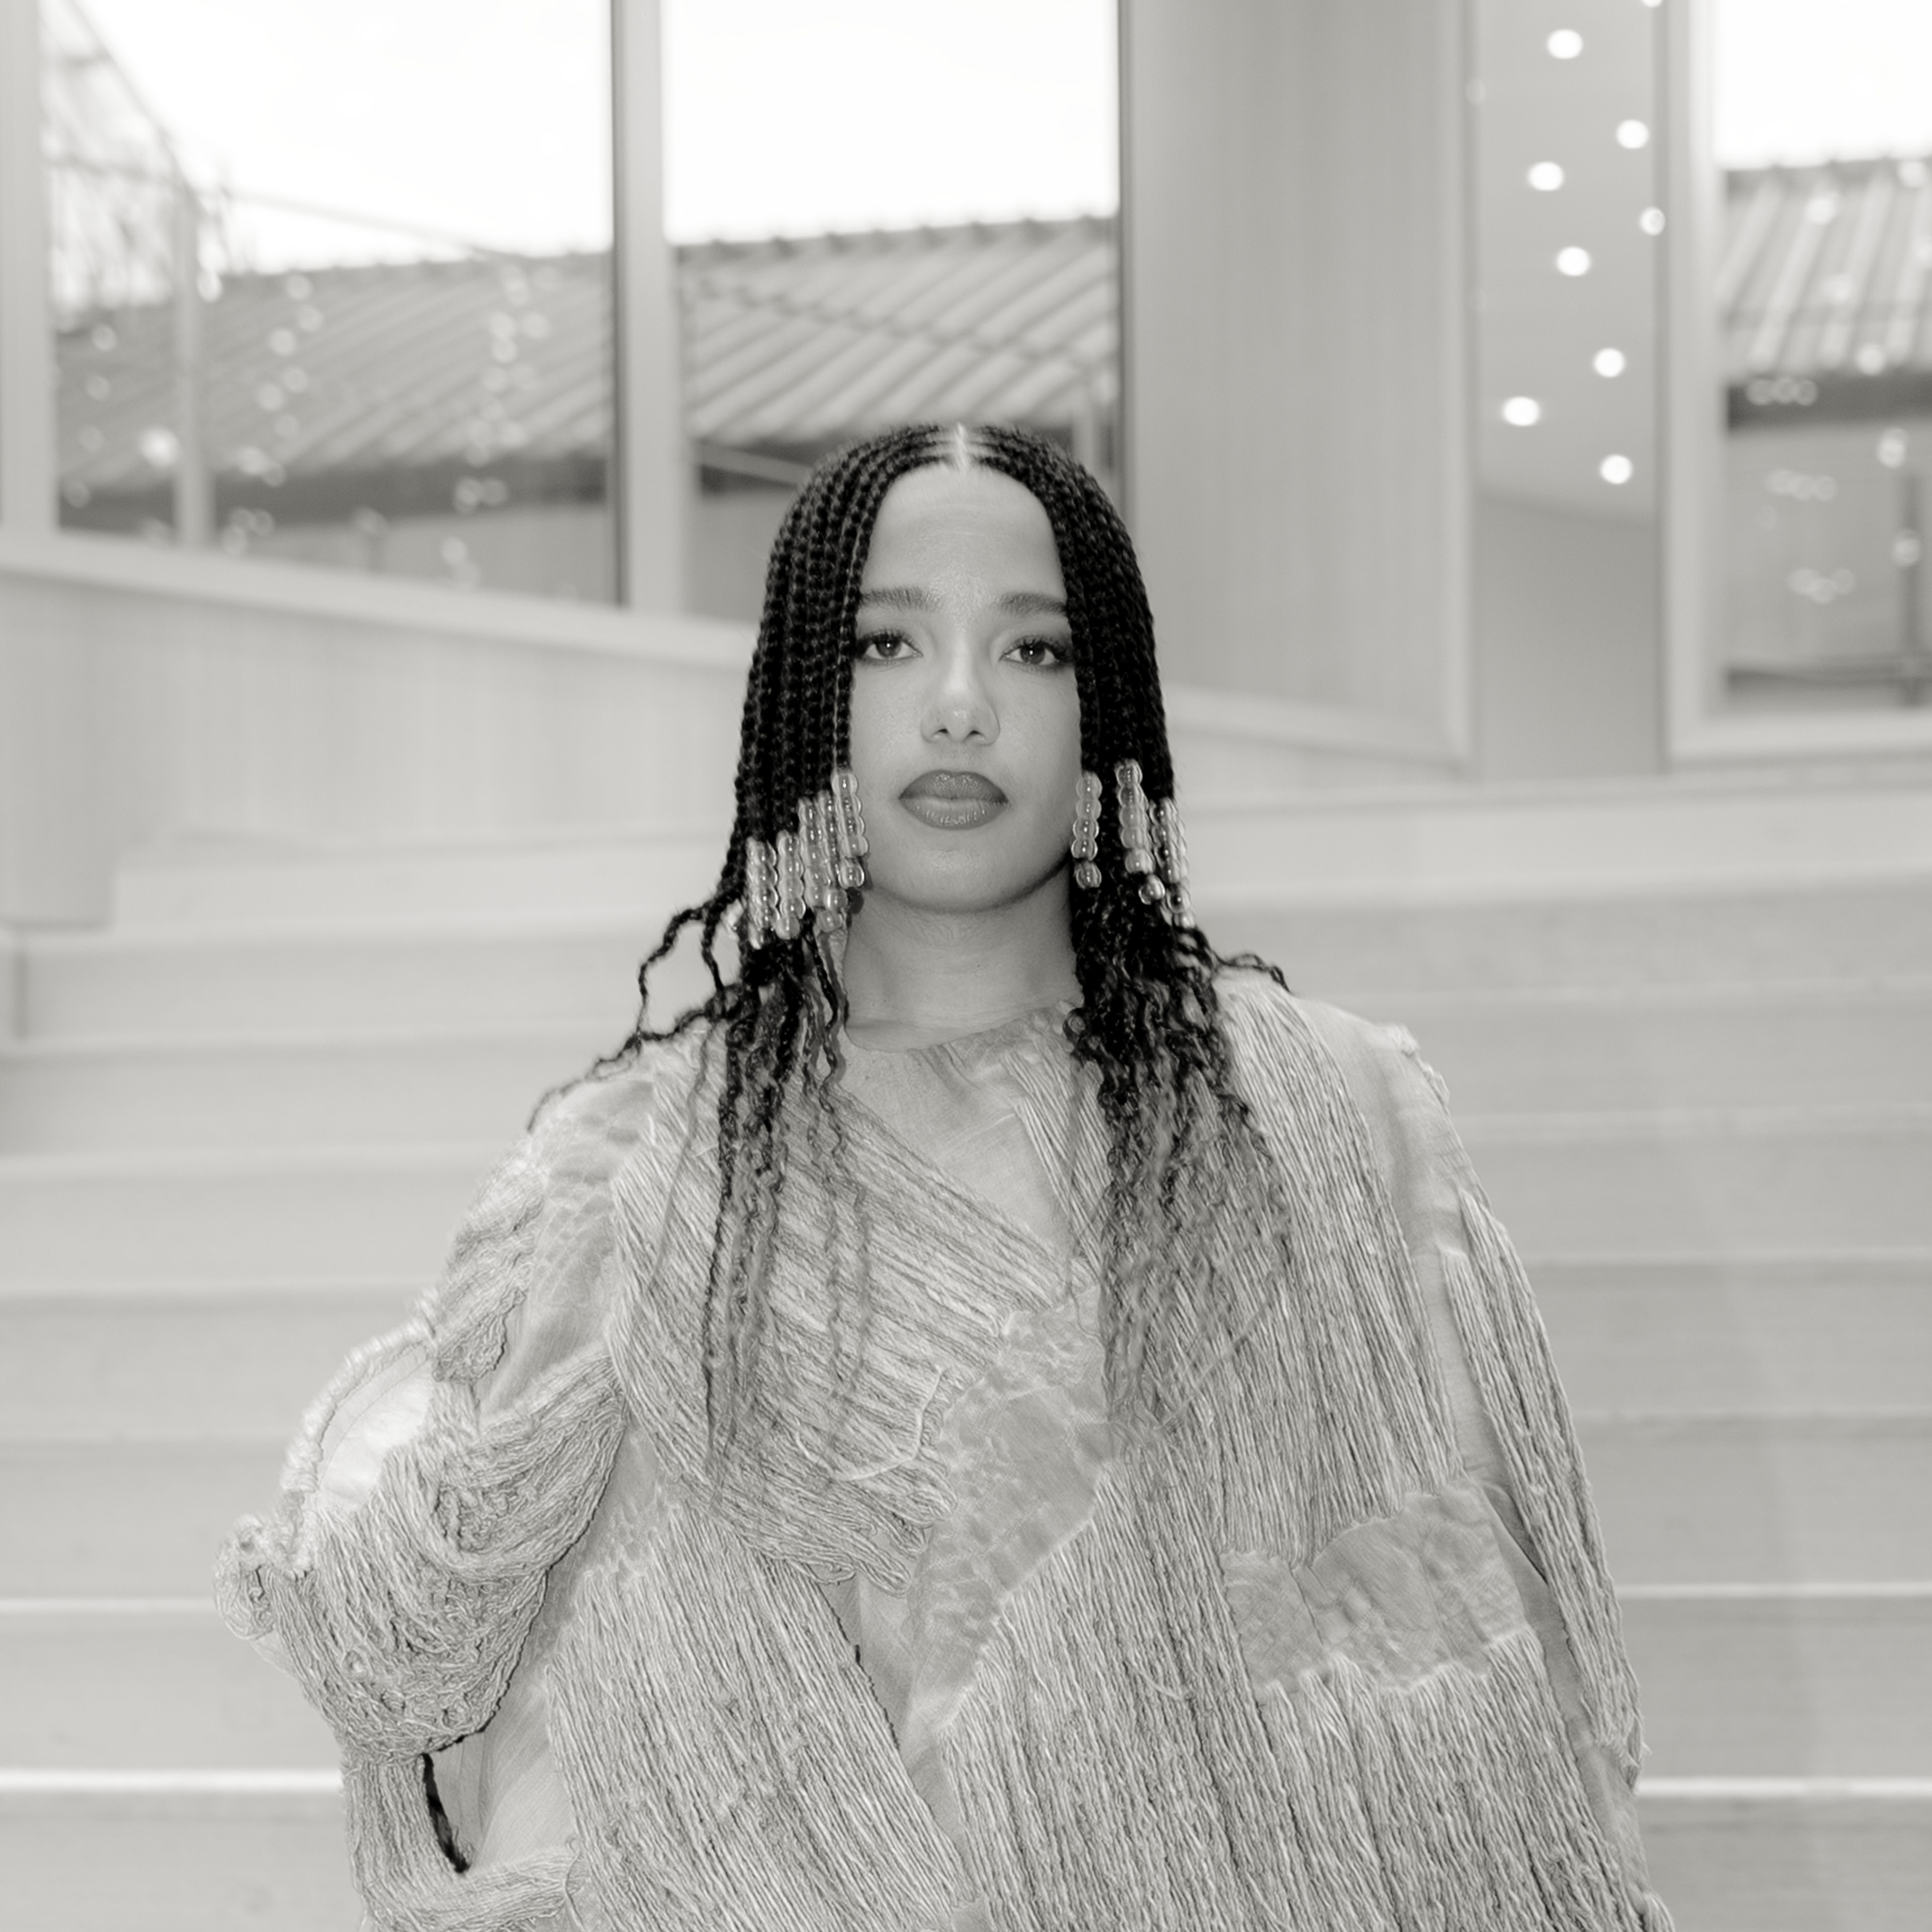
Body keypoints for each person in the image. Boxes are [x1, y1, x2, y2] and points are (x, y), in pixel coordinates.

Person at [218, 422, 1672, 1930]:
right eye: (890, 643)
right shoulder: (636, 1176)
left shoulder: (1332, 1112)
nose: (963, 706)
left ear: (1104, 704)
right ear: (807, 702)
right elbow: (540, 1744)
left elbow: (1493, 1697)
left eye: (1033, 651)